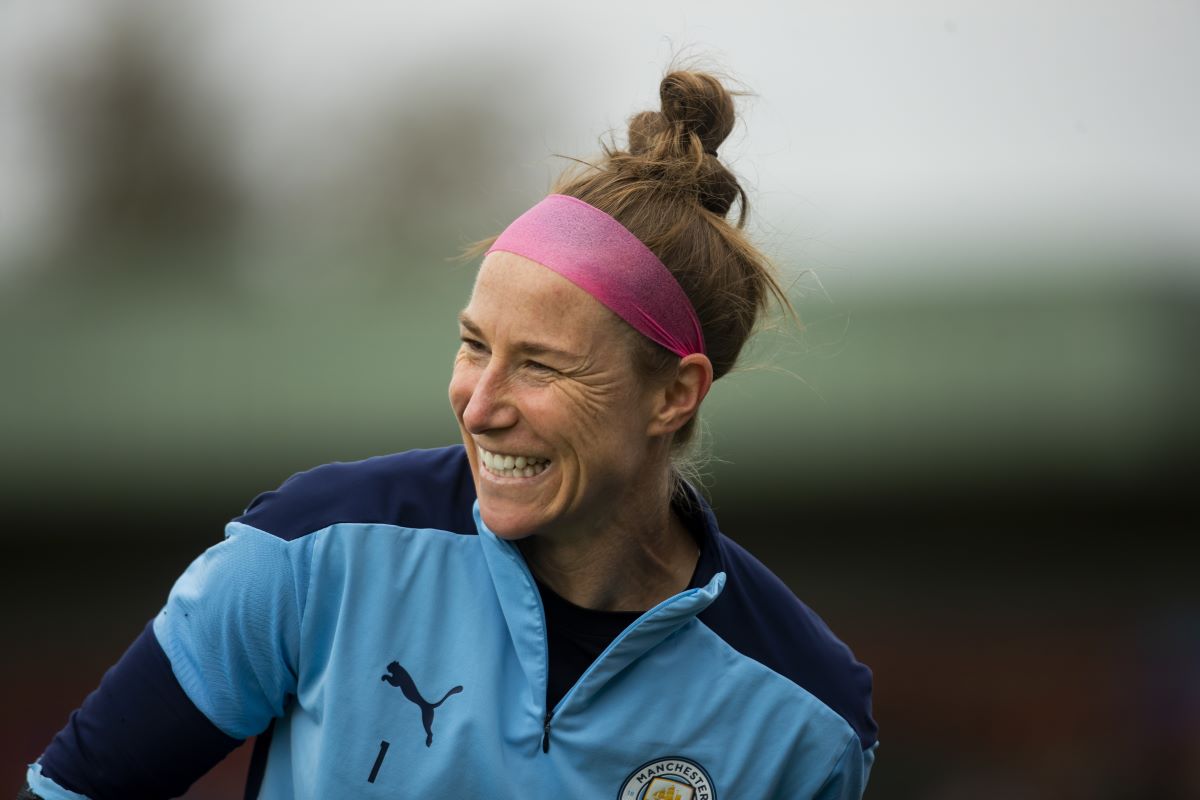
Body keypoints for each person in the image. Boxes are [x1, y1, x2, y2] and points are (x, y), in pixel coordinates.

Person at [21, 69, 877, 800]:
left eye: (540, 365)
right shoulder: (309, 555)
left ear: (673, 395)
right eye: (475, 346)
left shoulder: (807, 715)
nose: (479, 403)